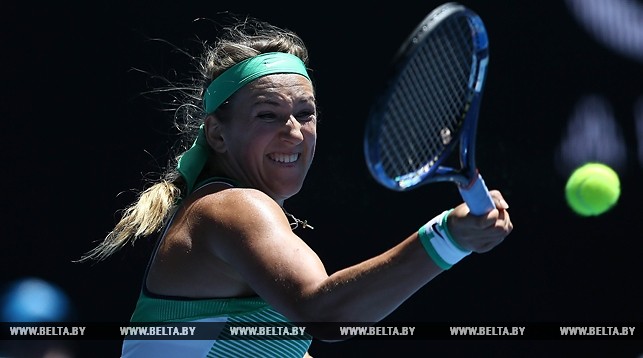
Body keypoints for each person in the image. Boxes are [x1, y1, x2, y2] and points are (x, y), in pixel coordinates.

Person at [80, 16, 513, 358]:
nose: (293, 131)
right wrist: (449, 239)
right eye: (267, 115)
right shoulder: (232, 208)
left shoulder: (236, 215)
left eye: (305, 113)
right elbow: (323, 315)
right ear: (217, 135)